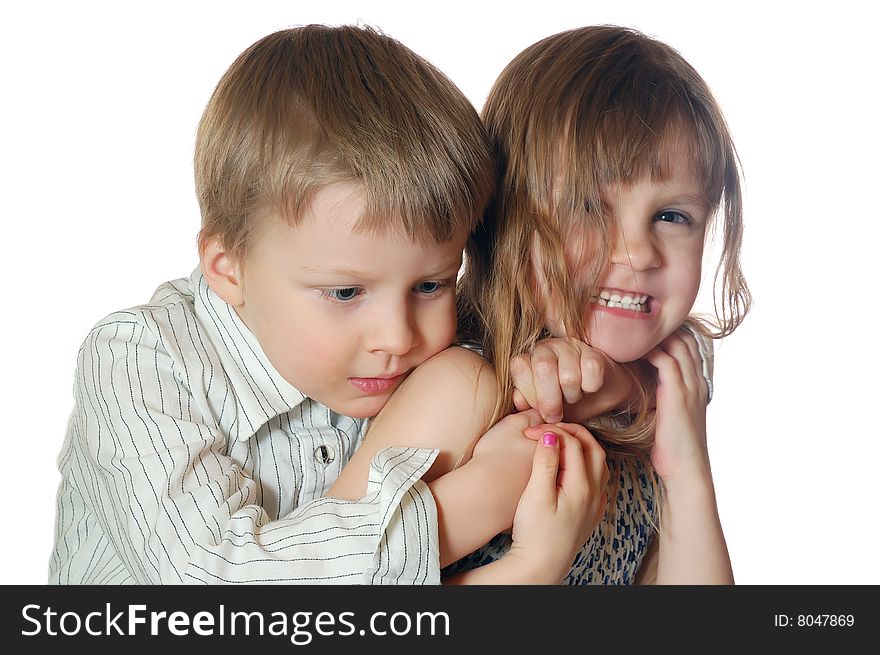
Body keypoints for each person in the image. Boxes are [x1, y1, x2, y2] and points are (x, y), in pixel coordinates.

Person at [47, 24, 601, 585]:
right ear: (228, 268)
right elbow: (214, 582)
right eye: (344, 293)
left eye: (431, 285)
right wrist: (486, 499)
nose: (398, 337)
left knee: (471, 378)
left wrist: (572, 370)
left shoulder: (414, 355)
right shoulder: (141, 360)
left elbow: (683, 351)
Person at [328, 25, 751, 584]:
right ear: (503, 218)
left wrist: (686, 468)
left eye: (673, 216)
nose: (638, 252)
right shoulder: (465, 390)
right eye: (585, 207)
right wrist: (533, 565)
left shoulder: (665, 384)